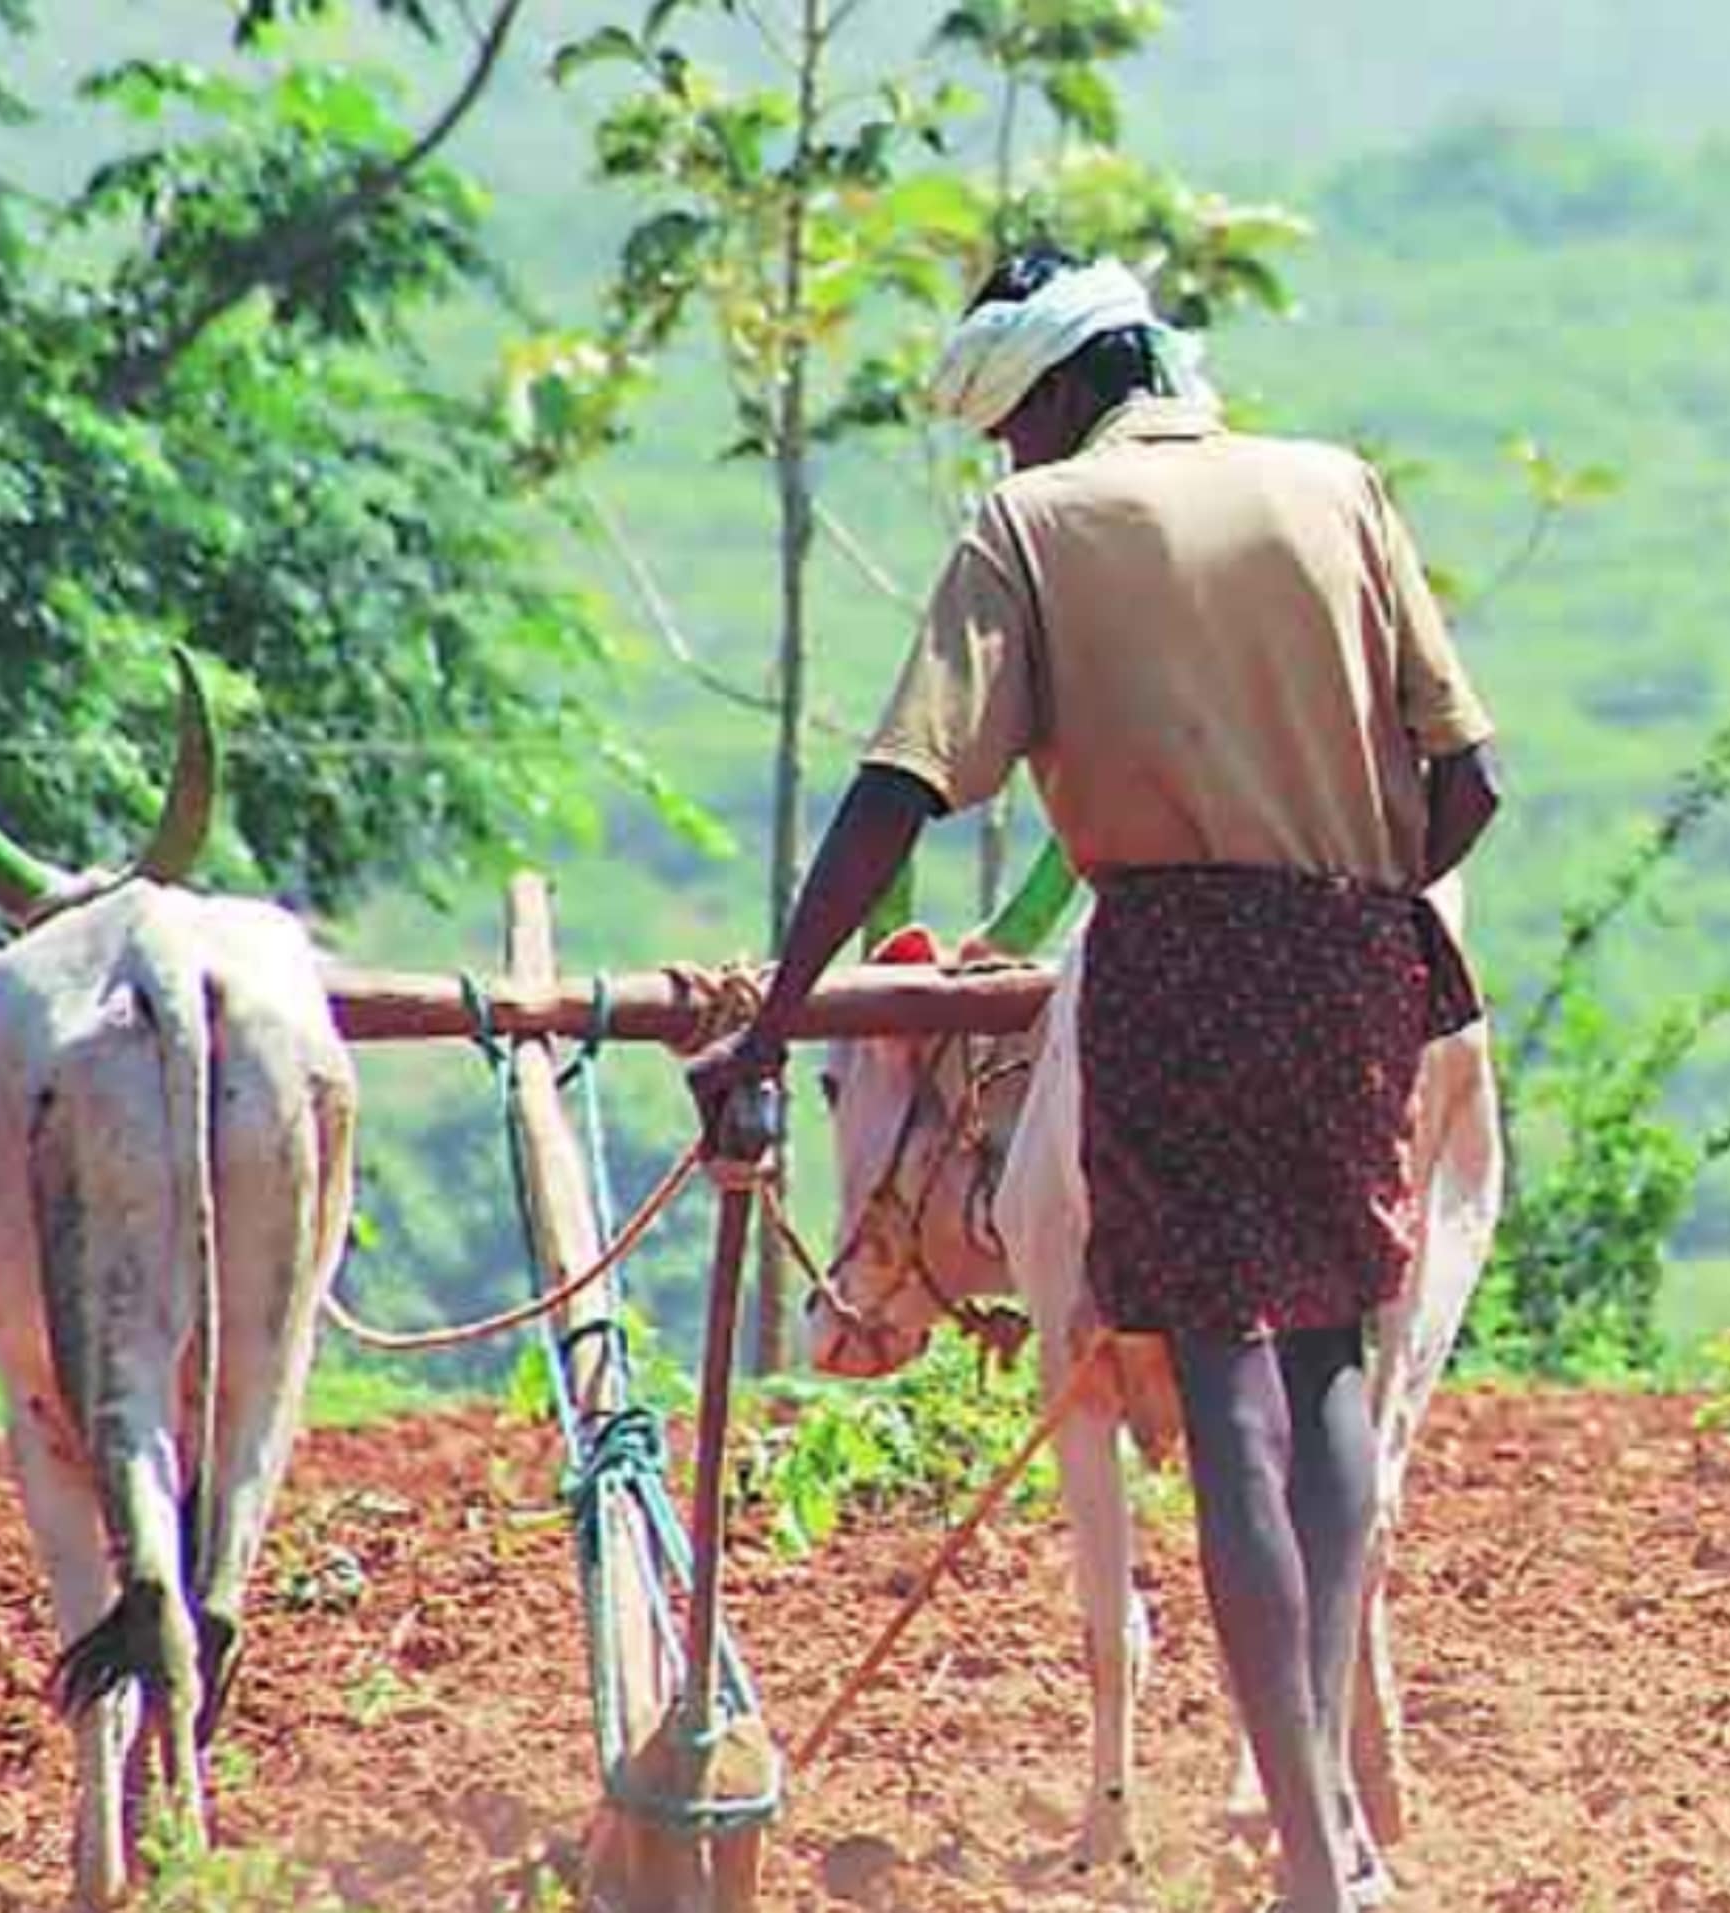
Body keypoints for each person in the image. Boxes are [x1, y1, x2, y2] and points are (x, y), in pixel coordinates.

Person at [679, 247, 1502, 1913]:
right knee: (1327, 1376)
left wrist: (776, 1015)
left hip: (1169, 973)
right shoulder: (1337, 488)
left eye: (1009, 426)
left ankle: (1311, 1863)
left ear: (1057, 392)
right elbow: (1471, 776)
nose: (1007, 455)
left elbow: (900, 789)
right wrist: (1347, 903)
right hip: (1358, 960)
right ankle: (1326, 1831)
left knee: (1225, 1393)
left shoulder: (1034, 527)